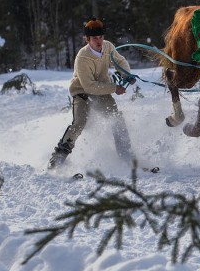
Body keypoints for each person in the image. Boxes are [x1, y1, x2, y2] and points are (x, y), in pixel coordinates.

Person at [48, 18, 135, 168]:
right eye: (95, 38)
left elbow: (120, 61)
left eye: (101, 37)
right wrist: (115, 88)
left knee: (116, 118)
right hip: (82, 91)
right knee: (80, 122)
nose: (99, 41)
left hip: (101, 92)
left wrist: (126, 74)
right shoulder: (82, 58)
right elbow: (89, 86)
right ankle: (58, 158)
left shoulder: (108, 47)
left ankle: (126, 155)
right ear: (87, 39)